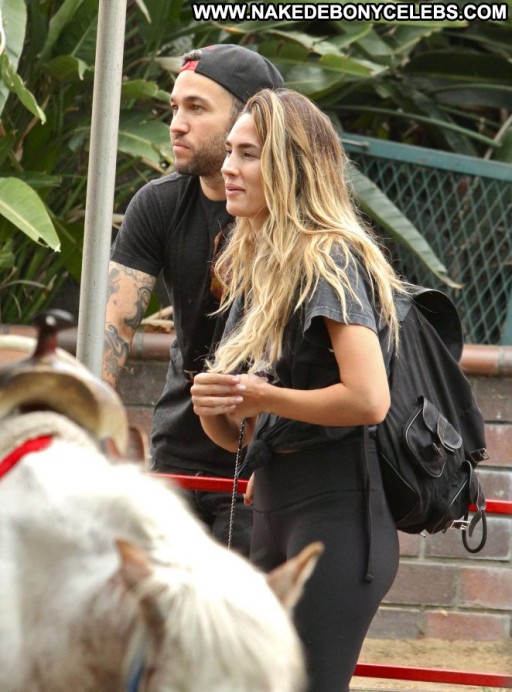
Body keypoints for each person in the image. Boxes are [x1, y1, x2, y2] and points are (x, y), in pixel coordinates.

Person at [190, 88, 407, 692]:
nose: (229, 167)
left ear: (291, 166)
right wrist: (215, 406)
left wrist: (262, 398)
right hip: (276, 503)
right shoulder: (252, 262)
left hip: (339, 513)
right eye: (230, 151)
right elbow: (240, 437)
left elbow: (369, 399)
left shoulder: (328, 258)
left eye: (249, 154)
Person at [102, 45, 284, 555]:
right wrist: (89, 430)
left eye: (197, 108)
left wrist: (281, 454)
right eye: (174, 107)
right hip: (178, 449)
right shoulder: (158, 203)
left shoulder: (296, 221)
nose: (176, 124)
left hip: (265, 455)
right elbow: (109, 334)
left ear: (251, 119)